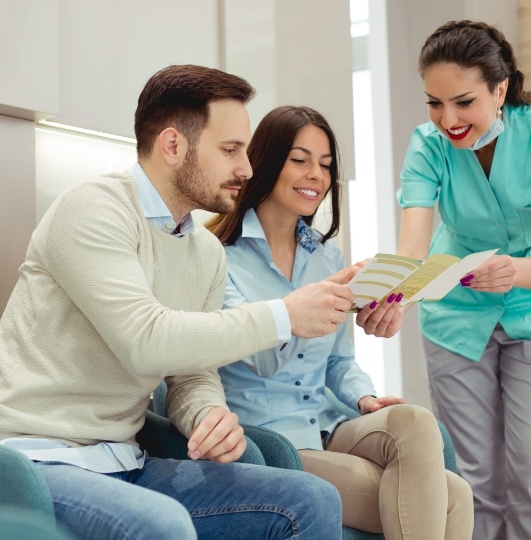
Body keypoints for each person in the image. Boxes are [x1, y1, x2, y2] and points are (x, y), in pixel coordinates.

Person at [0, 65, 353, 540]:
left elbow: (191, 372)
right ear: (173, 146)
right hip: (38, 460)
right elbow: (145, 341)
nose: (247, 169)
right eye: (230, 150)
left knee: (310, 499)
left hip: (127, 459)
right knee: (161, 524)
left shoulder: (204, 251)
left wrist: (206, 414)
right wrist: (284, 315)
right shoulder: (93, 210)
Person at [208, 105, 474, 539]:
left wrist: (364, 397)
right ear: (267, 160)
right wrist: (309, 304)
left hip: (328, 423)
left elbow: (339, 361)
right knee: (454, 498)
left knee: (417, 422)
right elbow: (261, 361)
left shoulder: (326, 255)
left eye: (326, 164)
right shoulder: (218, 256)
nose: (316, 173)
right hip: (271, 440)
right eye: (300, 160)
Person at [379, 20, 531, 540]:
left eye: (463, 102)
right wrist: (394, 298)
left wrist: (516, 272)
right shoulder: (428, 146)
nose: (447, 120)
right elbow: (412, 247)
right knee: (474, 480)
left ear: (500, 88)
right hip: (455, 313)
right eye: (434, 103)